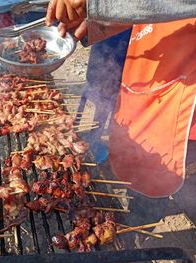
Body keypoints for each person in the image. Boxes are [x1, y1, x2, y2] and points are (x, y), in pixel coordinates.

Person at [46, 0, 196, 197]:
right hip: (148, 68)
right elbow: (160, 11)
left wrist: (99, 4)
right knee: (133, 150)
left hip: (185, 92)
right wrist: (104, 22)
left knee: (169, 174)